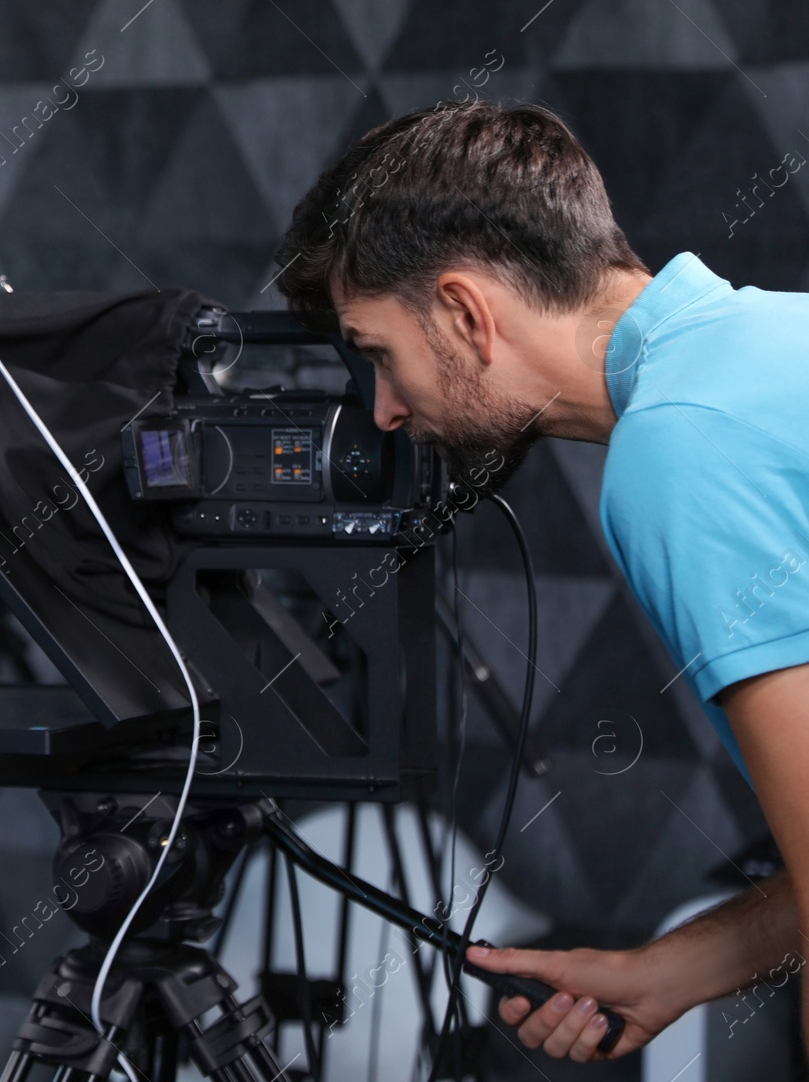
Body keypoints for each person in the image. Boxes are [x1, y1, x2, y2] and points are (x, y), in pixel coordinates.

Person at [274, 98, 809, 1065]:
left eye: (381, 356)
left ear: (466, 312)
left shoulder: (680, 450)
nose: (386, 411)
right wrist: (671, 971)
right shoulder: (774, 342)